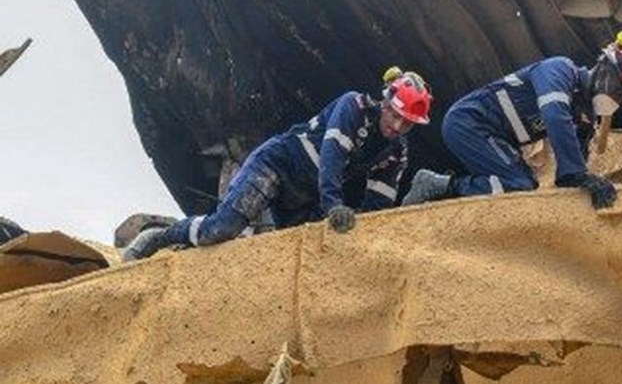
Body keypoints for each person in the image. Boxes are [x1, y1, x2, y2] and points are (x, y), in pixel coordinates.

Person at [123, 68, 432, 261]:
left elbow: (377, 206)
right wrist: (334, 206)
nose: (397, 126)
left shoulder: (396, 152)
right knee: (222, 228)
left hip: (304, 197)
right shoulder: (354, 106)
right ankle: (160, 235)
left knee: (299, 254)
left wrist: (359, 234)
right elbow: (332, 160)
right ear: (386, 103)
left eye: (407, 123)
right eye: (395, 115)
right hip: (278, 165)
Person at [402, 31, 622, 210]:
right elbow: (555, 115)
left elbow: (577, 163)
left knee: (523, 185)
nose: (616, 98)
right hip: (469, 121)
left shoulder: (583, 112)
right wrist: (574, 174)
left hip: (496, 136)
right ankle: (439, 184)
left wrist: (584, 186)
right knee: (517, 185)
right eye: (618, 89)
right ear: (604, 70)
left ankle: (448, 190)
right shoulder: (560, 70)